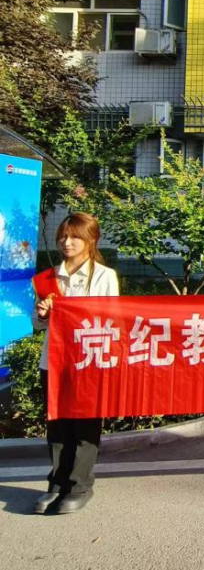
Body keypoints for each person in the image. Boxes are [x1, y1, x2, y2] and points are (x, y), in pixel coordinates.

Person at [32, 212, 119, 515]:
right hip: (54, 361)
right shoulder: (48, 278)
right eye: (63, 236)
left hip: (88, 361)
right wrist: (43, 313)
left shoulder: (104, 276)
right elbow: (38, 323)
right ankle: (56, 484)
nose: (66, 242)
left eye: (74, 237)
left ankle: (79, 485)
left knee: (84, 425)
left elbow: (112, 320)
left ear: (91, 240)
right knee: (57, 424)